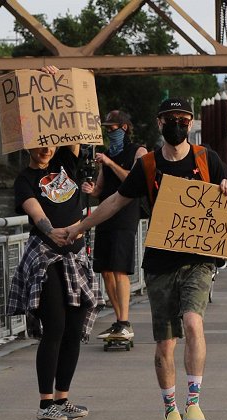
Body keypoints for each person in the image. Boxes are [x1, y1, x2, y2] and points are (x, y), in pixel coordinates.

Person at [65, 97, 227, 420]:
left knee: (193, 323)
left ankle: (193, 403)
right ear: (160, 123)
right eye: (171, 118)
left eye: (183, 119)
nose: (177, 124)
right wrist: (78, 228)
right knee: (166, 342)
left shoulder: (207, 159)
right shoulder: (147, 166)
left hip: (199, 260)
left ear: (190, 123)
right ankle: (170, 410)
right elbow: (114, 201)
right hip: (160, 262)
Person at [6, 65, 102, 420]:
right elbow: (34, 211)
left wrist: (55, 84)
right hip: (46, 257)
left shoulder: (66, 163)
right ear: (27, 143)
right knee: (56, 326)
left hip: (75, 257)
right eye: (38, 142)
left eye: (49, 141)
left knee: (75, 329)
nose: (45, 148)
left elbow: (70, 124)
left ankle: (63, 399)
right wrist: (52, 231)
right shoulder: (25, 179)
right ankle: (46, 405)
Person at [84, 110, 148, 340]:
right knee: (106, 269)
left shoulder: (138, 151)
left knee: (120, 268)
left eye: (113, 128)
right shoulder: (108, 154)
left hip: (125, 214)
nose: (109, 132)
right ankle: (119, 320)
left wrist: (110, 163)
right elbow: (100, 190)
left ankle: (125, 321)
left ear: (125, 128)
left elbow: (134, 180)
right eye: (107, 128)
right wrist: (91, 190)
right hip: (104, 214)